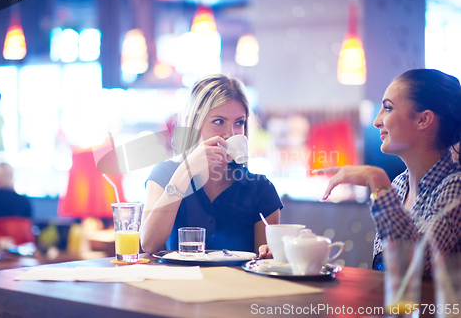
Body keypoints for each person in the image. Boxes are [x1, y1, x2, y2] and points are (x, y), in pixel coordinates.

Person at [316, 68, 461, 274]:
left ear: (423, 120)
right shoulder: (398, 185)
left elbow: (411, 267)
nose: (377, 121)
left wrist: (377, 179)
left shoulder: (455, 187)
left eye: (388, 108)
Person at [141, 74, 283, 254]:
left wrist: (273, 254)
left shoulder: (260, 189)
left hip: (239, 282)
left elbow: (265, 265)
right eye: (218, 121)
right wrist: (186, 171)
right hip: (181, 282)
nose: (230, 133)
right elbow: (149, 244)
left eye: (239, 123)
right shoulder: (164, 174)